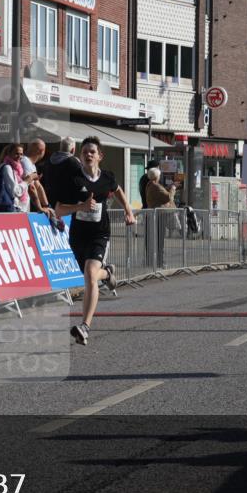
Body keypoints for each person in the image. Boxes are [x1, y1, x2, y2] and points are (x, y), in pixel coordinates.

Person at [55, 136, 135, 346]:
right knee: (89, 276)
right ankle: (108, 273)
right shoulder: (74, 180)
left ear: (100, 156)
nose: (88, 154)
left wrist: (128, 211)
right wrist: (80, 207)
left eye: (92, 151)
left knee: (90, 274)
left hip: (100, 234)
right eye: (84, 152)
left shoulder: (107, 177)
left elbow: (117, 190)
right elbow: (59, 209)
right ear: (80, 156)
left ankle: (85, 326)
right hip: (78, 236)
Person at [144, 167, 176, 268]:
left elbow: (160, 195)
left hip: (155, 215)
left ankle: (154, 261)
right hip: (159, 216)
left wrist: (167, 189)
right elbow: (168, 197)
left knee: (156, 239)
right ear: (157, 176)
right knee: (160, 240)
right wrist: (173, 189)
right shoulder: (155, 186)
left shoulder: (150, 185)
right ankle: (160, 262)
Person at [41, 137, 82, 209]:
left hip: (48, 202)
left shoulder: (48, 161)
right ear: (73, 150)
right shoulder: (74, 163)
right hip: (66, 205)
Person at [0, 143, 30, 212]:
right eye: (17, 154)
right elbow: (14, 191)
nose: (19, 156)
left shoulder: (17, 169)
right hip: (13, 208)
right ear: (9, 154)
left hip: (19, 208)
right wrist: (26, 181)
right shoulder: (7, 168)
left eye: (21, 154)